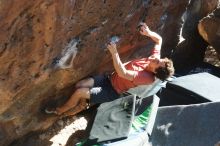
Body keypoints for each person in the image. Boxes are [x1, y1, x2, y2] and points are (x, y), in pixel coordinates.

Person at [45, 23, 174, 115]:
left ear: (156, 71)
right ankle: (82, 105)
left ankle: (60, 111)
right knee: (80, 85)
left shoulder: (146, 78)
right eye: (160, 59)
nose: (156, 58)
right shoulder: (154, 59)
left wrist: (114, 53)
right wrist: (149, 32)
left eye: (158, 62)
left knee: (79, 92)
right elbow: (159, 40)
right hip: (108, 79)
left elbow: (122, 72)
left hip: (112, 91)